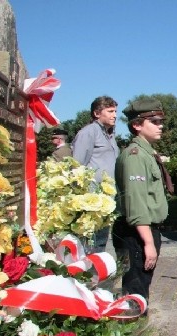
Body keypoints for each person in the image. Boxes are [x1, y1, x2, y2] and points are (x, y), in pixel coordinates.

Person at [112, 98, 168, 303]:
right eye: (154, 121)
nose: (160, 126)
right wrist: (148, 242)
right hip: (137, 232)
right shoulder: (135, 156)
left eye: (161, 121)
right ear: (136, 125)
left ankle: (135, 324)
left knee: (140, 285)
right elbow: (136, 202)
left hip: (143, 229)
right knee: (135, 289)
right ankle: (133, 329)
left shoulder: (146, 153)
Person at [72, 96, 120, 252]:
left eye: (115, 111)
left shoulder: (109, 134)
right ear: (97, 113)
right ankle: (86, 272)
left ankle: (96, 271)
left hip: (106, 198)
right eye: (110, 111)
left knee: (101, 240)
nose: (115, 115)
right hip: (92, 197)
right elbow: (77, 165)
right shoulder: (88, 132)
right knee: (89, 242)